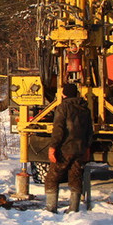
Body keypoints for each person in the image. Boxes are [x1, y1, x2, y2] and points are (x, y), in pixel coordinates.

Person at [45, 83, 93, 213]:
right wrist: (87, 148)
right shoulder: (85, 109)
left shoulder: (63, 108)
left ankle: (51, 208)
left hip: (65, 149)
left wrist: (53, 146)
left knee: (52, 178)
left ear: (64, 94)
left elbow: (59, 129)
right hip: (80, 149)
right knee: (75, 177)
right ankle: (73, 208)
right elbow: (89, 131)